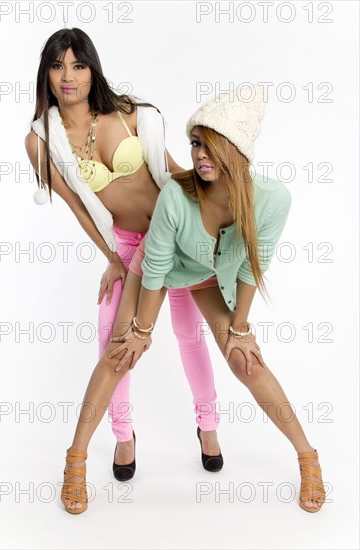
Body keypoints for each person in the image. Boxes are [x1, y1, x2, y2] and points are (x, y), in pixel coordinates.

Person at [67, 85, 325, 514]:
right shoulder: (175, 195)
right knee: (119, 352)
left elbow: (249, 267)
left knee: (247, 361)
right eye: (195, 143)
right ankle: (74, 461)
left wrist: (240, 329)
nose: (199, 155)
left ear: (237, 150)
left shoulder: (273, 199)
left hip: (207, 275)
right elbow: (155, 269)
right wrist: (140, 332)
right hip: (154, 269)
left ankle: (308, 458)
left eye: (212, 146)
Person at [25, 27, 223, 496]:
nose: (67, 76)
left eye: (78, 65)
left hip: (176, 238)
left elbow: (174, 170)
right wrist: (113, 258)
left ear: (93, 69)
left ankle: (208, 425)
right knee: (111, 341)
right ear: (46, 74)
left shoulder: (132, 113)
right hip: (131, 248)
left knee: (188, 333)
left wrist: (213, 220)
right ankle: (122, 436)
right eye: (57, 66)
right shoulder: (41, 139)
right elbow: (77, 206)